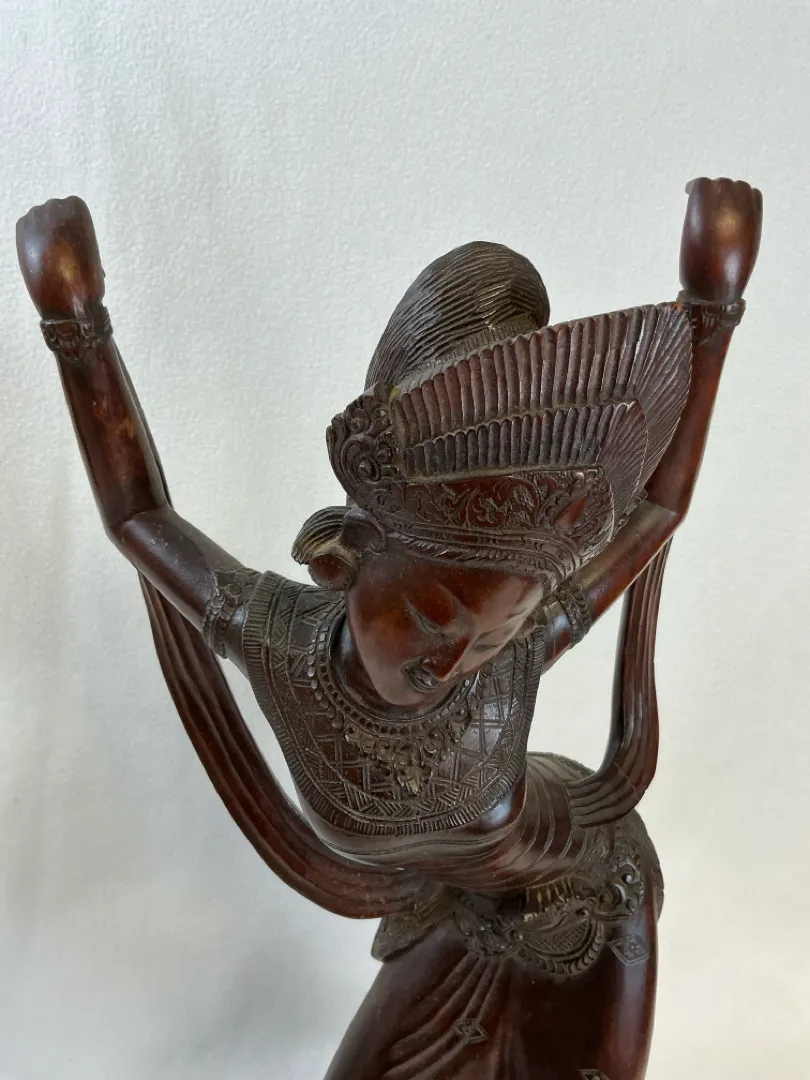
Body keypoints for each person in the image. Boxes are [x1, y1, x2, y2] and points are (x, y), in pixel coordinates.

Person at [17, 178, 761, 1079]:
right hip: (452, 911)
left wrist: (712, 308)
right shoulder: (281, 643)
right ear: (344, 558)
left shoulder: (511, 661)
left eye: (491, 638)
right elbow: (140, 517)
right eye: (428, 618)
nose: (453, 664)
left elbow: (655, 514)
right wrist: (76, 325)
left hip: (589, 901)